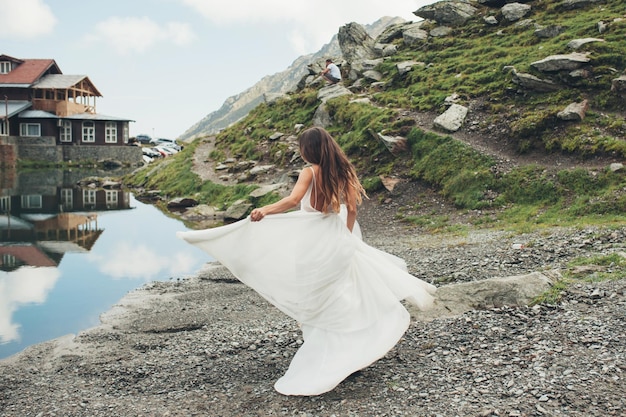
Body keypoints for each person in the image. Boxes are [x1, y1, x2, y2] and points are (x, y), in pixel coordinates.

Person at [177, 126, 436, 396]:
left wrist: (264, 210)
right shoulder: (343, 170)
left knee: (314, 294)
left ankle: (329, 352)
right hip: (335, 235)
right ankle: (352, 348)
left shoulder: (310, 171)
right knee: (342, 292)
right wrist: (347, 238)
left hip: (313, 242)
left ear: (308, 149)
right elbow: (353, 209)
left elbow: (293, 200)